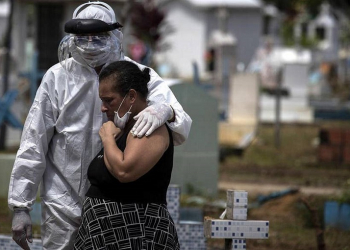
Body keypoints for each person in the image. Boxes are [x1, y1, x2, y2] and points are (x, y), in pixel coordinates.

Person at [8, 2, 191, 250]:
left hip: (118, 205)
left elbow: (180, 122)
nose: (91, 45)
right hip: (62, 199)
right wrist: (21, 205)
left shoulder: (135, 73)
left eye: (99, 37)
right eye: (84, 38)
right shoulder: (57, 78)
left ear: (114, 36)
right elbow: (33, 142)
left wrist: (165, 110)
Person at [74, 60, 180, 249]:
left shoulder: (149, 126)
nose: (103, 108)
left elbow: (124, 171)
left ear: (131, 96)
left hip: (136, 233)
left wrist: (107, 138)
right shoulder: (122, 128)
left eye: (109, 100)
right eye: (102, 101)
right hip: (104, 235)